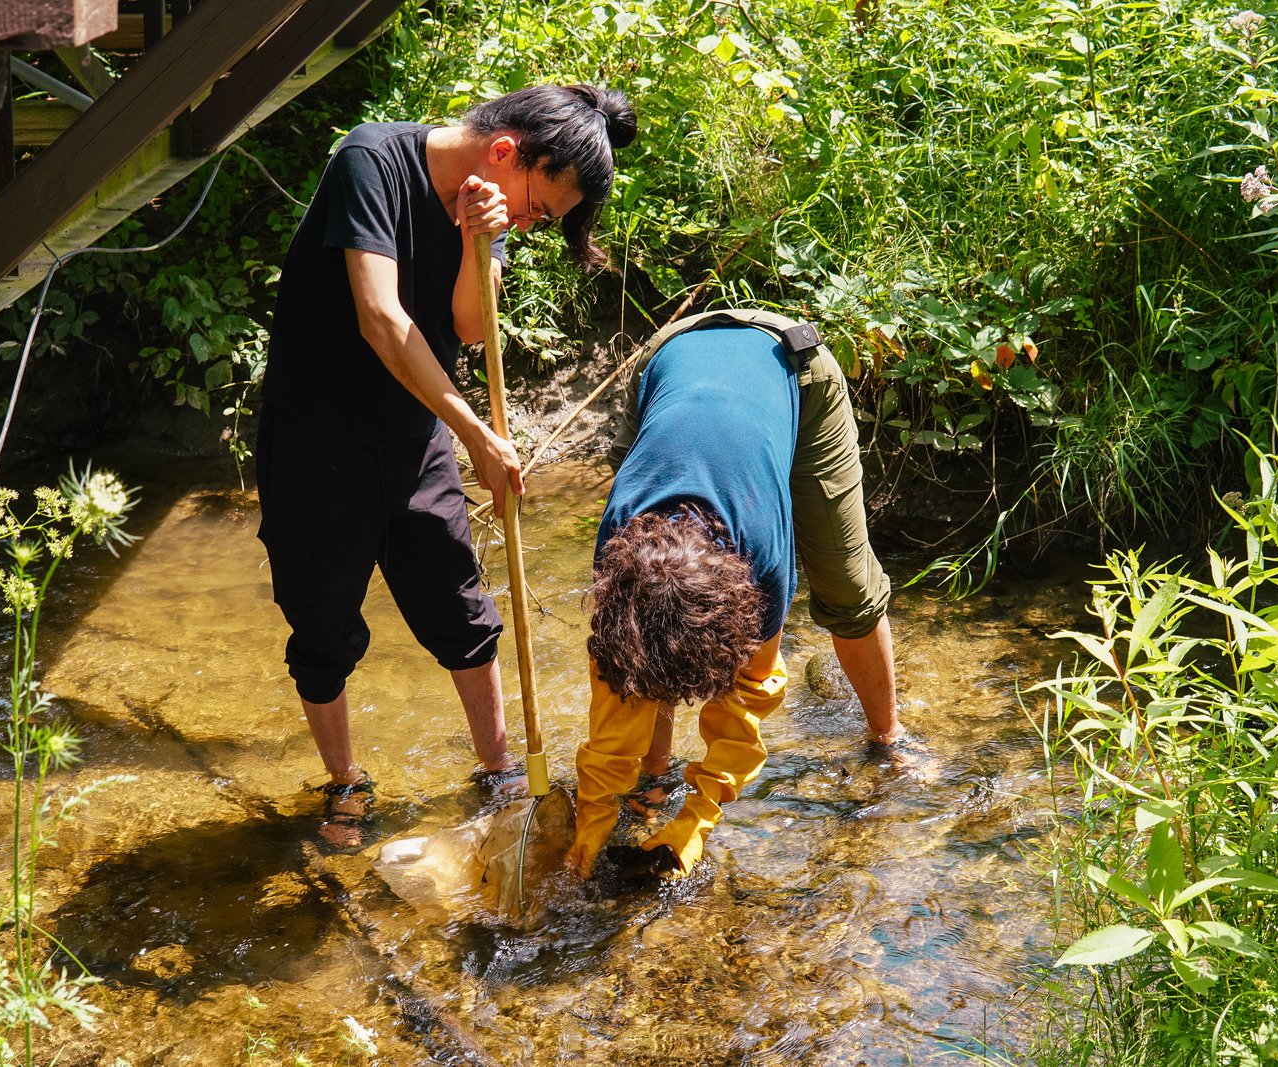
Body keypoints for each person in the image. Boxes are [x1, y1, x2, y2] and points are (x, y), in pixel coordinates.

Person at [257, 85, 637, 846]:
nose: (528, 225)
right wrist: (475, 434)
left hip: (413, 434)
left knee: (461, 610)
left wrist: (478, 239)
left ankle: (497, 771)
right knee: (324, 626)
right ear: (507, 151)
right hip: (315, 442)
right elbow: (381, 318)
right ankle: (345, 780)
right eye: (536, 210)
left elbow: (468, 324)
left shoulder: (485, 205)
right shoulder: (371, 160)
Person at [566, 309, 905, 881]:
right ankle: (655, 771)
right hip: (668, 358)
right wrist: (590, 826)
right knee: (645, 656)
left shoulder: (761, 565)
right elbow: (614, 689)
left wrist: (697, 819)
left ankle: (890, 738)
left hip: (791, 367)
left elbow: (747, 698)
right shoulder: (615, 557)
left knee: (846, 588)